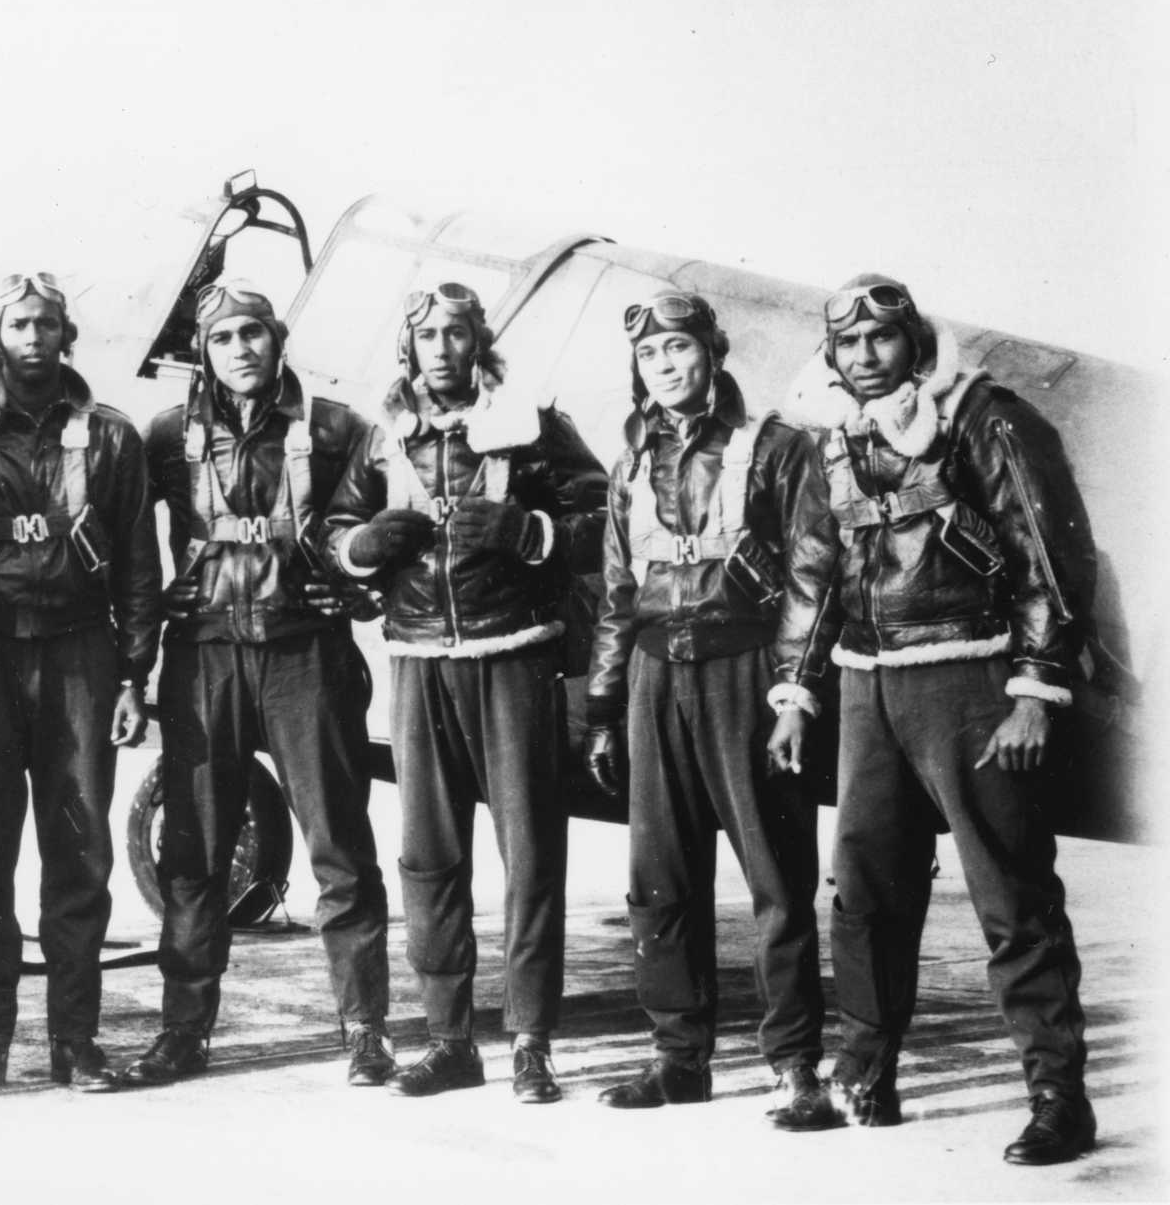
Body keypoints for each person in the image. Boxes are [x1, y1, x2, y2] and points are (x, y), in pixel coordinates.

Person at [787, 274, 1098, 1164]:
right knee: (865, 892)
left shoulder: (986, 417)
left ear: (915, 342)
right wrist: (794, 690)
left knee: (1012, 895)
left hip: (971, 676)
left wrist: (1035, 688)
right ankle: (863, 1080)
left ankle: (1058, 1099)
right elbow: (815, 576)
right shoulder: (832, 440)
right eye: (846, 346)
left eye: (881, 340)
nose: (862, 358)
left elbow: (1047, 553)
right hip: (867, 688)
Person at [326, 282, 605, 1101]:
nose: (442, 349)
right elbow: (334, 533)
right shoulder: (382, 438)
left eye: (457, 333)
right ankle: (450, 1038)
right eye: (427, 336)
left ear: (478, 343)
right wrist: (361, 547)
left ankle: (531, 1040)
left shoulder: (534, 425)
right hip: (418, 663)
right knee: (429, 857)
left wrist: (533, 533)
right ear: (407, 349)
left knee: (530, 855)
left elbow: (606, 519)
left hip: (512, 657)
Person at [124, 278, 391, 1088]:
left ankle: (366, 1028)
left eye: (254, 333)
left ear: (278, 340)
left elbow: (394, 518)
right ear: (202, 352)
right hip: (205, 657)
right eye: (223, 337)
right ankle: (183, 1031)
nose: (241, 348)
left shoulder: (337, 428)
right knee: (194, 852)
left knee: (339, 846)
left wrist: (358, 590)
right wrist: (135, 658)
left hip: (304, 655)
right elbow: (126, 541)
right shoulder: (166, 436)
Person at [583, 289, 838, 1129]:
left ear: (713, 352)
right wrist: (604, 702)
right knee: (659, 881)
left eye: (680, 349)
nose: (666, 367)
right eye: (651, 357)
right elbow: (620, 595)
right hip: (659, 677)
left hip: (744, 672)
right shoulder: (631, 465)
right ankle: (678, 1058)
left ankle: (795, 1066)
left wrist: (794, 692)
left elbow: (810, 575)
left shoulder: (774, 447)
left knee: (776, 879)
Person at [0, 271, 161, 1099]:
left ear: (66, 336)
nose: (33, 337)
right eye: (19, 323)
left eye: (47, 324)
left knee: (81, 848)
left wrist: (136, 673)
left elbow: (136, 563)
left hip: (80, 656)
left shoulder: (113, 439)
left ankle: (75, 1040)